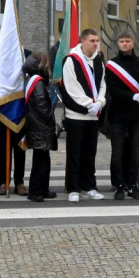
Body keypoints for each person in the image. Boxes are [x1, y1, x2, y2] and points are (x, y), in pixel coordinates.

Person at [59, 29, 107, 202]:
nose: (96, 43)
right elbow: (71, 88)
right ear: (83, 41)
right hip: (76, 116)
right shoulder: (71, 60)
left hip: (93, 116)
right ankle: (73, 188)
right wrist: (89, 104)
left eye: (97, 41)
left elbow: (102, 84)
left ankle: (90, 186)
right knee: (75, 153)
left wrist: (100, 102)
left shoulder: (99, 61)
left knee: (90, 153)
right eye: (92, 40)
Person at [104, 31, 139, 200]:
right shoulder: (112, 64)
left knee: (134, 152)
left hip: (136, 115)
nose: (125, 44)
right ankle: (119, 185)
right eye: (122, 41)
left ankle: (132, 184)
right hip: (118, 114)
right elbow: (111, 88)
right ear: (118, 44)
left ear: (133, 43)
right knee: (118, 152)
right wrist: (131, 96)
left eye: (128, 41)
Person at [23, 52, 59, 202]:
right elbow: (42, 105)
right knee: (40, 161)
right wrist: (51, 116)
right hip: (40, 126)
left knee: (44, 159)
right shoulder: (37, 82)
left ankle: (43, 189)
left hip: (36, 125)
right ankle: (35, 191)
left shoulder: (32, 79)